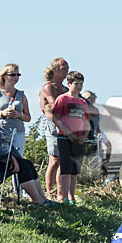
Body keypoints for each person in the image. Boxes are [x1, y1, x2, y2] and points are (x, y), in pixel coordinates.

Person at [0, 99, 53, 206]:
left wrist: (16, 158)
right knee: (23, 165)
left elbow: (10, 147)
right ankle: (38, 200)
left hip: (0, 161)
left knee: (27, 163)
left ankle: (42, 198)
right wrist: (10, 158)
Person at [51, 71, 88, 204]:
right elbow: (55, 118)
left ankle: (72, 196)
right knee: (65, 167)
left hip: (79, 139)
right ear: (69, 84)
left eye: (81, 84)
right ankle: (64, 196)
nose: (79, 86)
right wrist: (67, 132)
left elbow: (86, 121)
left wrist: (83, 135)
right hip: (64, 138)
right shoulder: (62, 98)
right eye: (76, 83)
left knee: (74, 169)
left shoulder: (83, 102)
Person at [39, 57, 68, 200]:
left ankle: (60, 194)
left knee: (63, 160)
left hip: (65, 124)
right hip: (52, 124)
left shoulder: (66, 89)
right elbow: (54, 104)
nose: (67, 70)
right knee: (54, 159)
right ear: (55, 69)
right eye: (64, 67)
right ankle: (49, 193)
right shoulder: (48, 87)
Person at [0, 63, 31, 155]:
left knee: (18, 160)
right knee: (1, 159)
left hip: (18, 133)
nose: (16, 77)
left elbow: (28, 117)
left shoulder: (21, 95)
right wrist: (2, 113)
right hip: (0, 131)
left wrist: (19, 114)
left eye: (18, 74)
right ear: (4, 76)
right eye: (12, 74)